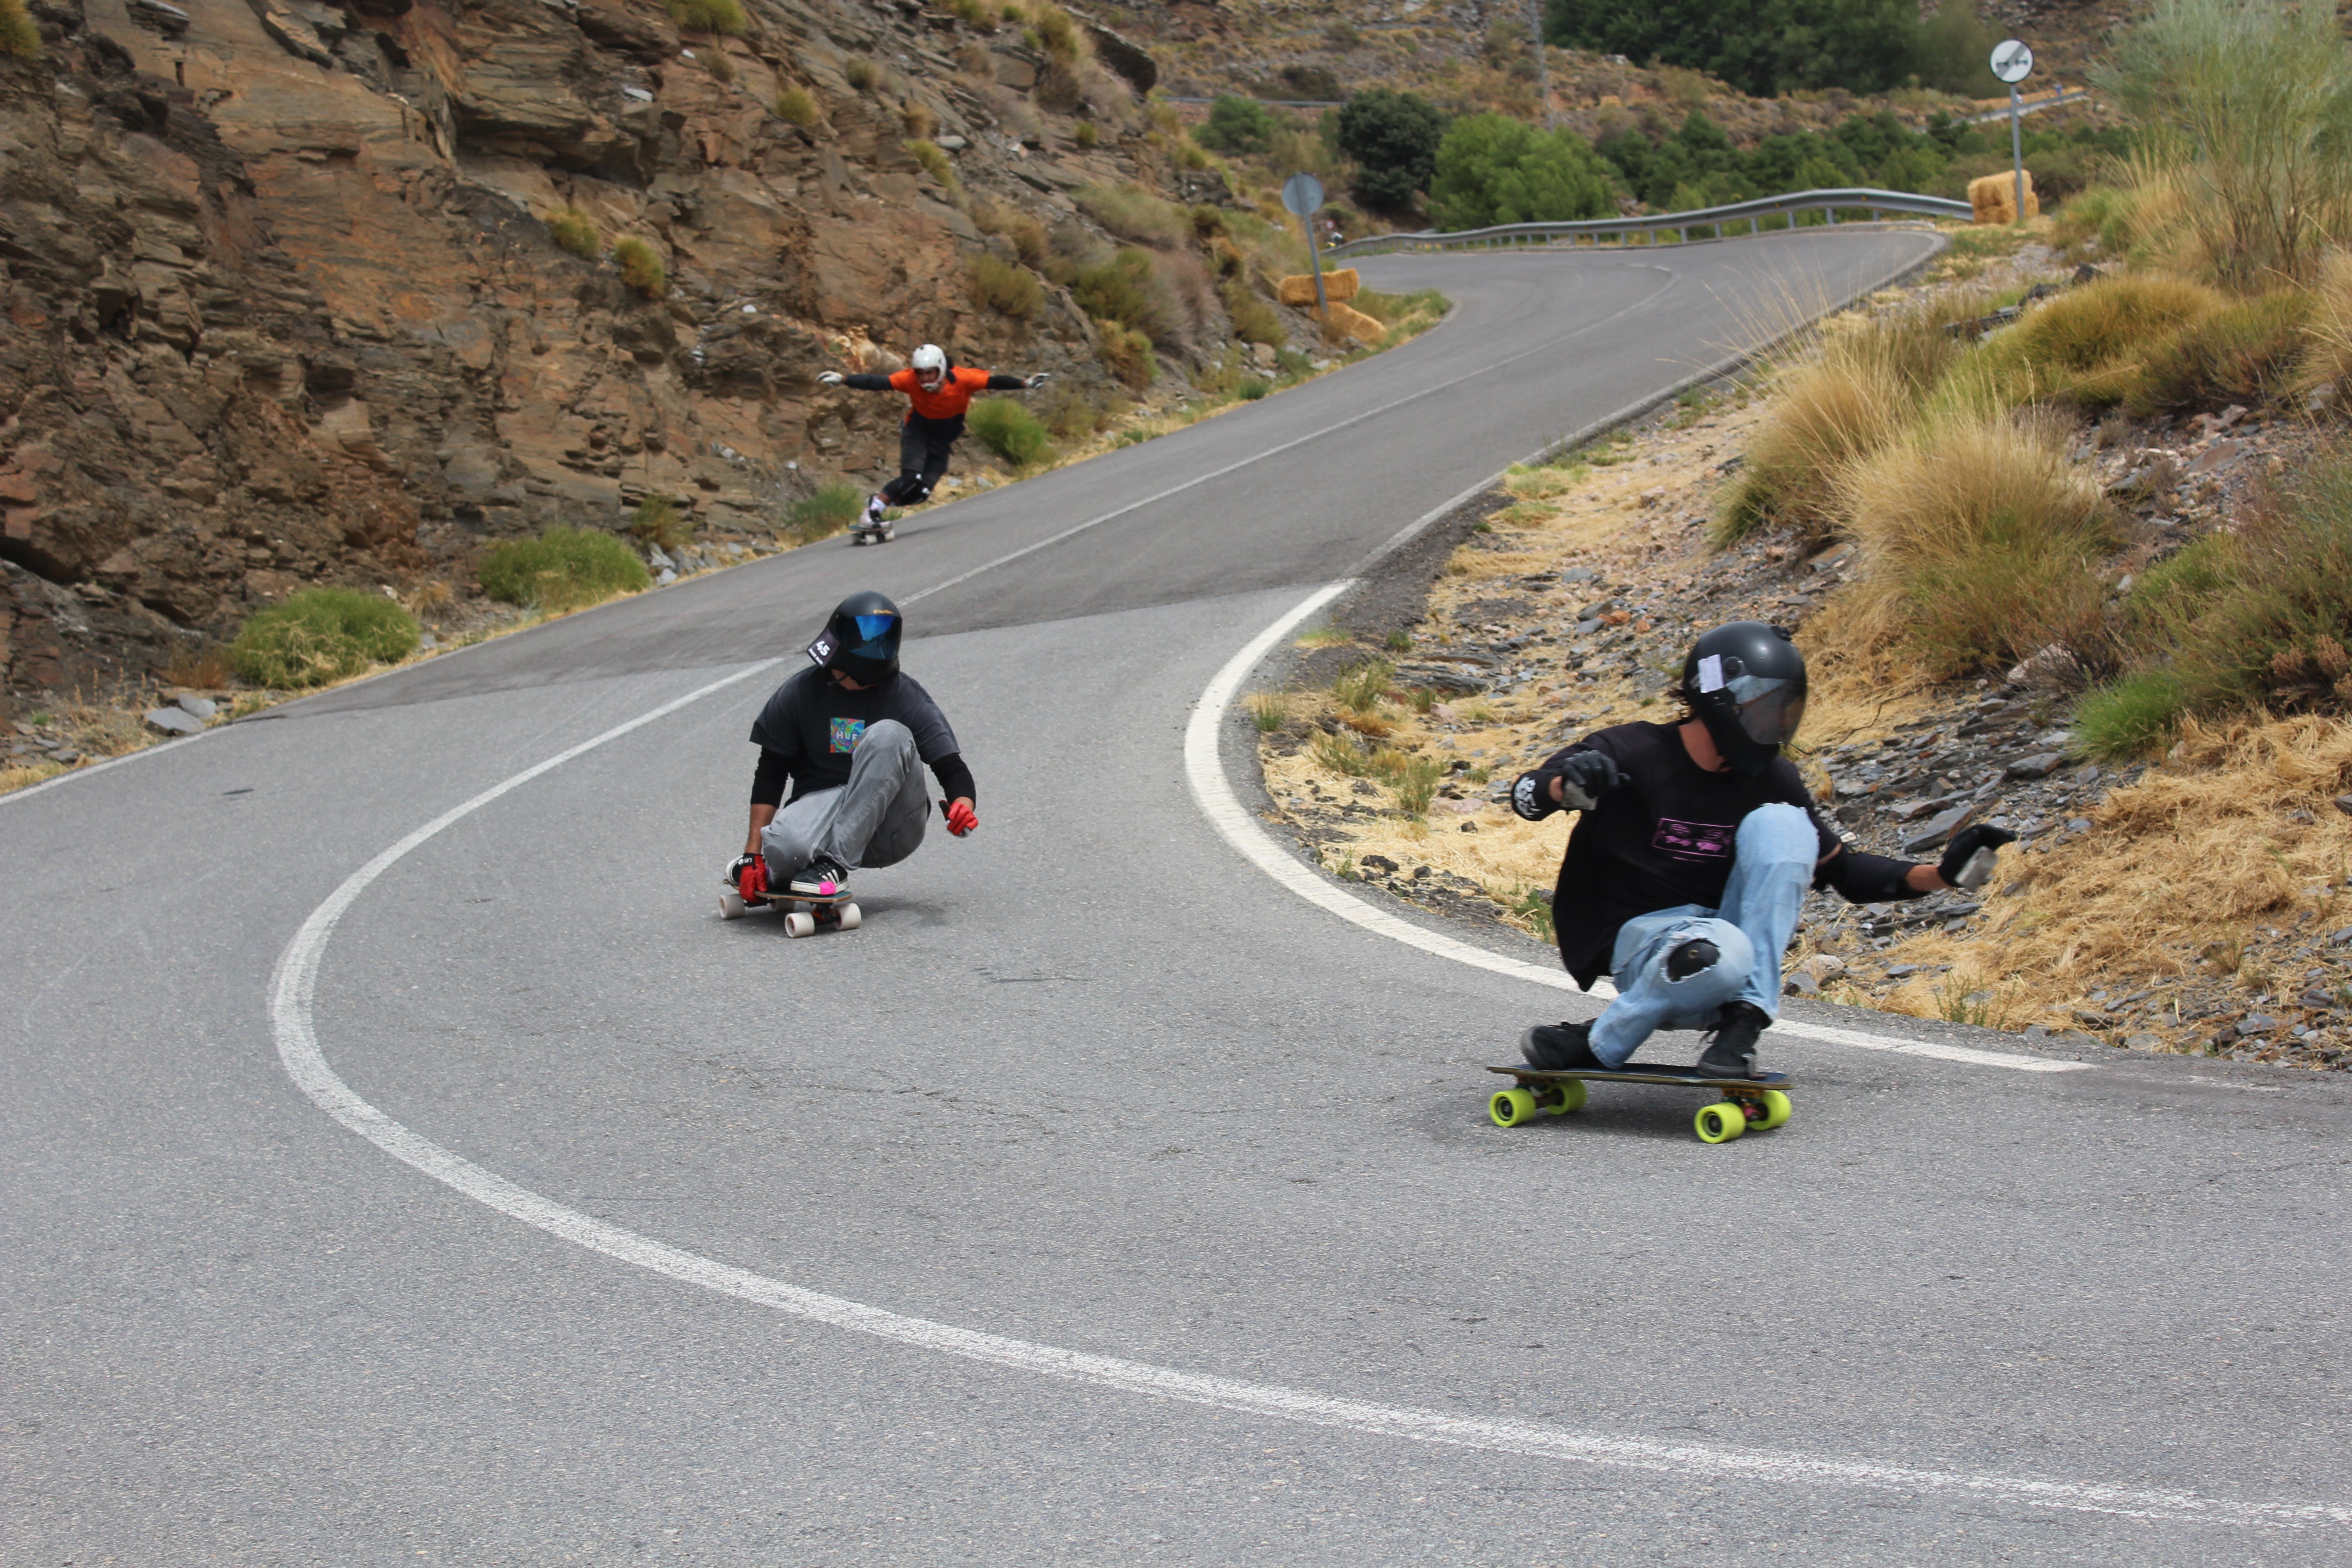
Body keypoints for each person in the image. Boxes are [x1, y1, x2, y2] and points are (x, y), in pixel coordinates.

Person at [1509, 621, 2016, 1079]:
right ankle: (1601, 1042)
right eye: (1767, 708)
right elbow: (1525, 795)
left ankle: (1742, 1026)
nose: (1778, 725)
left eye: (1787, 710)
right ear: (1721, 700)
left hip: (1727, 959)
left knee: (1784, 824)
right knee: (1722, 954)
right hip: (1645, 949)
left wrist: (1943, 874)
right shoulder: (1632, 751)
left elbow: (1846, 873)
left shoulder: (1773, 780)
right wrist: (1565, 787)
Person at [725, 591, 978, 905]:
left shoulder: (905, 697)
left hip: (891, 829)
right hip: (825, 809)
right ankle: (793, 872)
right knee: (781, 846)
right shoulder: (799, 693)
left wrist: (963, 806)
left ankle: (834, 865)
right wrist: (754, 856)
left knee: (888, 735)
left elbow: (951, 767)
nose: (829, 668)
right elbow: (770, 772)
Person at [818, 344, 1049, 528]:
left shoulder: (963, 379)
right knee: (911, 477)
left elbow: (995, 381)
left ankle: (884, 502)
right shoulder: (909, 380)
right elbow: (877, 382)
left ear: (941, 369)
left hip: (944, 439)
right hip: (917, 432)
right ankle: (873, 510)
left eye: (930, 373)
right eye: (921, 374)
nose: (926, 379)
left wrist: (1025, 384)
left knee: (921, 493)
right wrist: (844, 379)